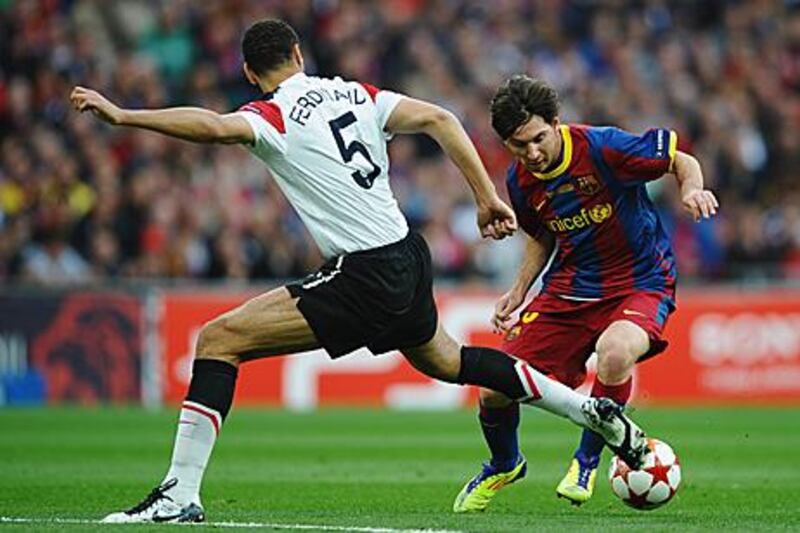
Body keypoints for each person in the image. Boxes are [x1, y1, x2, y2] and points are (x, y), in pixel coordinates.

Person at [71, 21, 648, 523]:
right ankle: (589, 412)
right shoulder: (353, 92)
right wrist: (485, 197)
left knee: (218, 340)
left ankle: (179, 494)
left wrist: (125, 116)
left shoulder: (268, 114)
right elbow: (442, 119)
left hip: (365, 272)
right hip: (406, 253)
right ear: (299, 54)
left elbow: (214, 127)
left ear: (250, 73)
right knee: (451, 362)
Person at [453, 75, 719, 512]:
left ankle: (587, 460)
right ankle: (505, 463)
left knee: (615, 352)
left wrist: (691, 188)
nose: (532, 153)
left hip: (641, 280)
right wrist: (518, 289)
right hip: (570, 288)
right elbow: (541, 236)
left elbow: (680, 160)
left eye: (538, 138)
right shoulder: (521, 181)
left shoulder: (602, 147)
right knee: (493, 388)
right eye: (519, 145)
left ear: (556, 122)